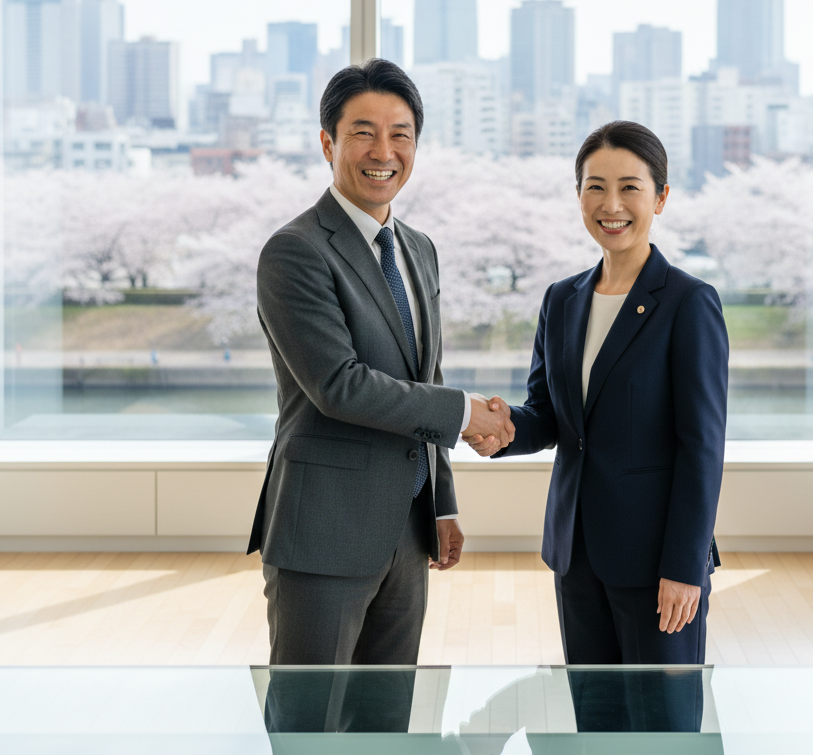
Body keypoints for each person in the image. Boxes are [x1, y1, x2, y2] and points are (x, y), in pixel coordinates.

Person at [248, 59, 513, 730]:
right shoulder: (296, 252)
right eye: (363, 132)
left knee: (385, 722)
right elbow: (338, 384)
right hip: (322, 531)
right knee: (308, 724)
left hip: (406, 529)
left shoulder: (419, 249)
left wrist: (442, 503)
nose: (383, 152)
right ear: (327, 142)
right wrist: (464, 414)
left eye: (401, 134)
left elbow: (421, 379)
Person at [468, 121, 728, 731]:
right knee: (596, 724)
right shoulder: (563, 299)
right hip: (576, 555)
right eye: (595, 187)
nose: (611, 206)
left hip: (657, 565)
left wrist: (685, 568)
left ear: (660, 198)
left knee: (665, 732)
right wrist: (501, 432)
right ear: (579, 195)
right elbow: (552, 418)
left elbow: (702, 447)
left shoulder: (689, 302)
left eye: (630, 188)